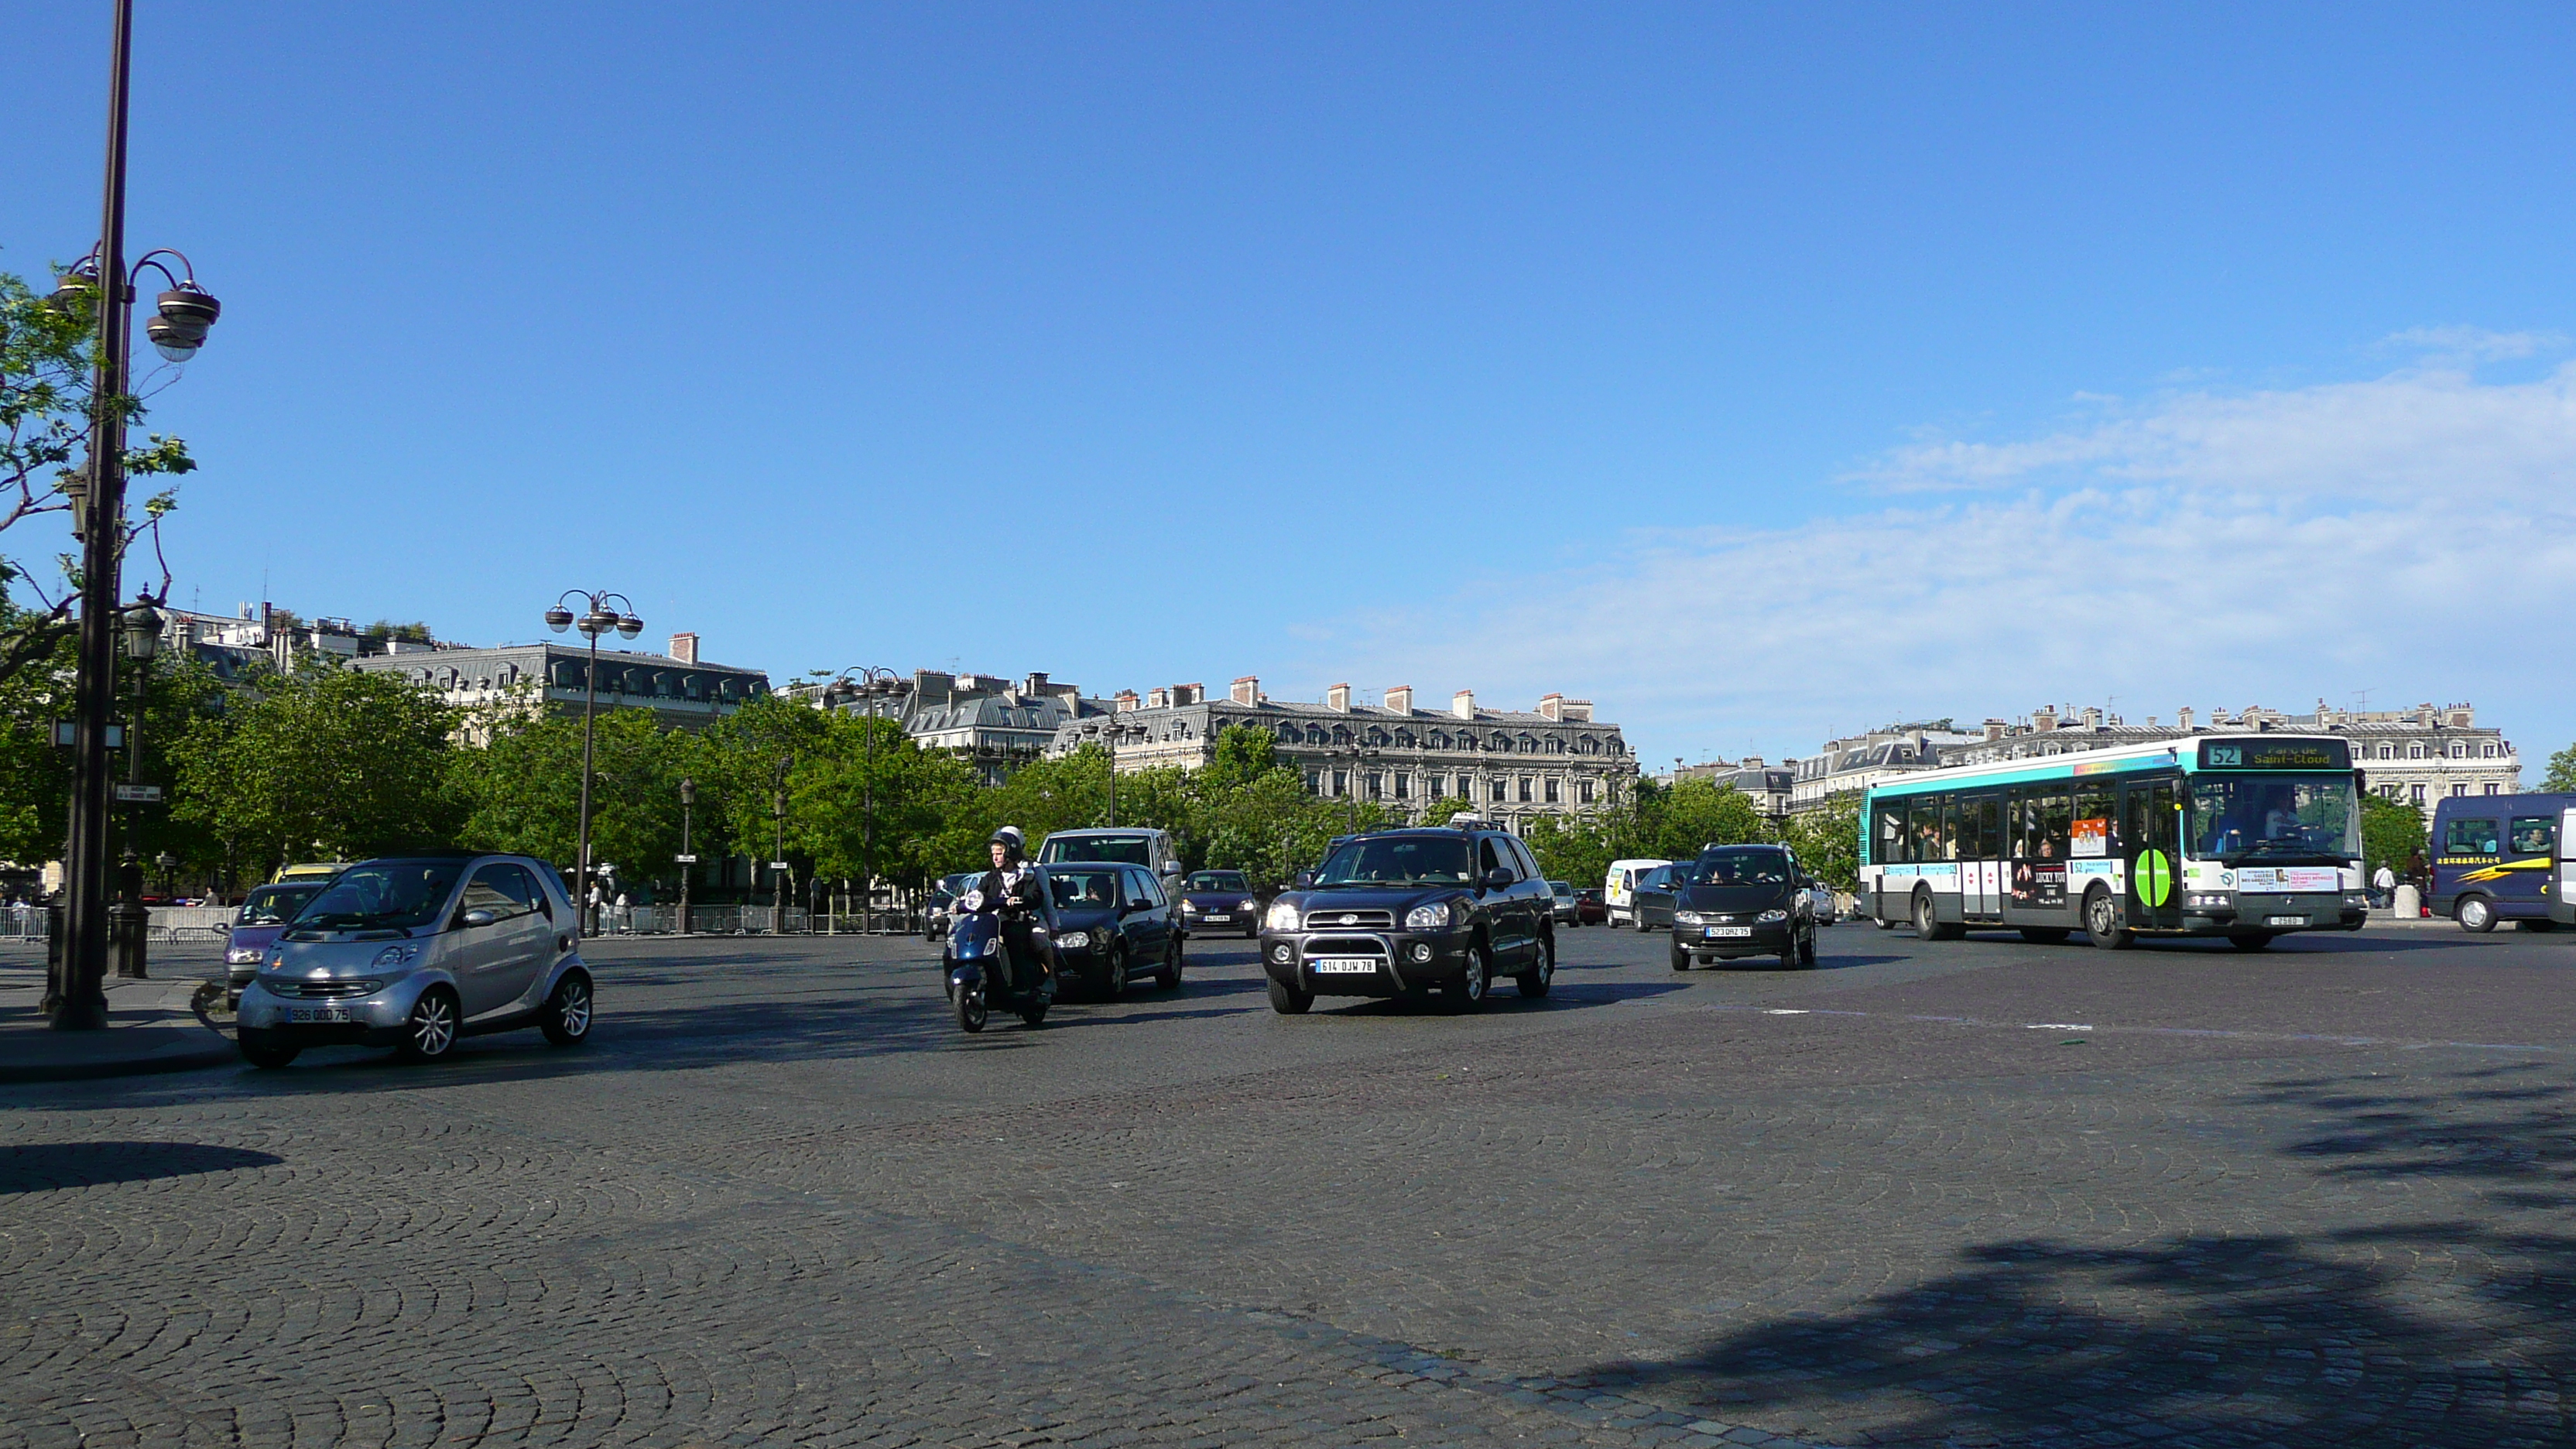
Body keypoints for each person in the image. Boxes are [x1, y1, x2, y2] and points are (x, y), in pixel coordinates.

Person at [972, 827, 1047, 994]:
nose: (995, 858)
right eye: (993, 854)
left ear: (1010, 854)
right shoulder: (990, 877)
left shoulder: (1025, 876)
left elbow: (1036, 896)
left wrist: (1020, 900)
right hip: (991, 922)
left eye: (999, 853)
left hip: (1014, 921)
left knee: (1011, 939)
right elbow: (978, 894)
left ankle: (1020, 984)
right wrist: (961, 904)